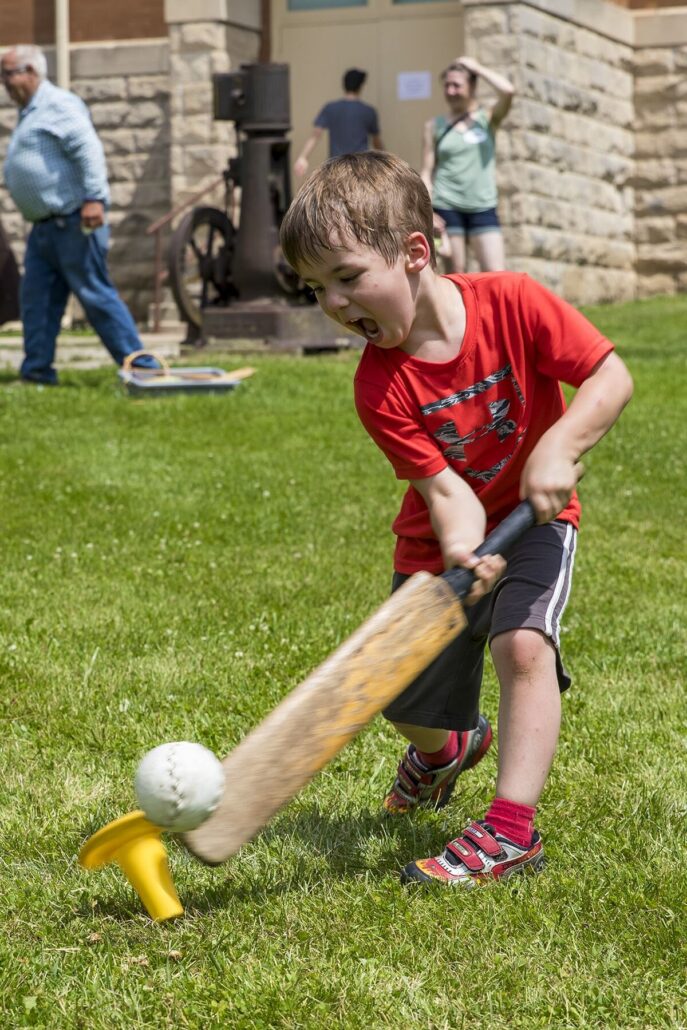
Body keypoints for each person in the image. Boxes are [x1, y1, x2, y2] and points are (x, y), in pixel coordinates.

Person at [279, 152, 633, 888]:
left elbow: (609, 375)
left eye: (347, 277)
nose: (337, 305)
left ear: (413, 254)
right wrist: (462, 551)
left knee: (522, 646)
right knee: (393, 695)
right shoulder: (378, 386)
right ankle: (447, 750)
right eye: (317, 290)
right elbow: (444, 494)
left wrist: (558, 445)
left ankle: (509, 833)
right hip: (441, 546)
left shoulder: (514, 302)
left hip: (536, 521)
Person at [1, 45, 157, 385]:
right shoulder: (30, 111)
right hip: (44, 228)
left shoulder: (58, 104)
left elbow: (88, 151)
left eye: (8, 73)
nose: (4, 82)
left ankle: (141, 368)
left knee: (95, 295)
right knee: (36, 301)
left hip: (74, 220)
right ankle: (37, 372)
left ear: (31, 72)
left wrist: (94, 199)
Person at [421, 57, 514, 275]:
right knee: (457, 275)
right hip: (447, 206)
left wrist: (478, 68)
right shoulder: (434, 125)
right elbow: (426, 171)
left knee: (495, 274)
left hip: (483, 206)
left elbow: (508, 91)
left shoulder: (487, 118)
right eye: (447, 85)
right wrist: (428, 212)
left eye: (457, 85)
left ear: (472, 86)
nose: (451, 91)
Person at [293, 68, 383, 180]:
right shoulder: (369, 111)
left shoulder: (330, 108)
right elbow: (377, 143)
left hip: (336, 168)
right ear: (361, 87)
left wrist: (303, 157)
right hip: (361, 168)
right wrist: (385, 162)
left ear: (344, 85)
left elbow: (316, 135)